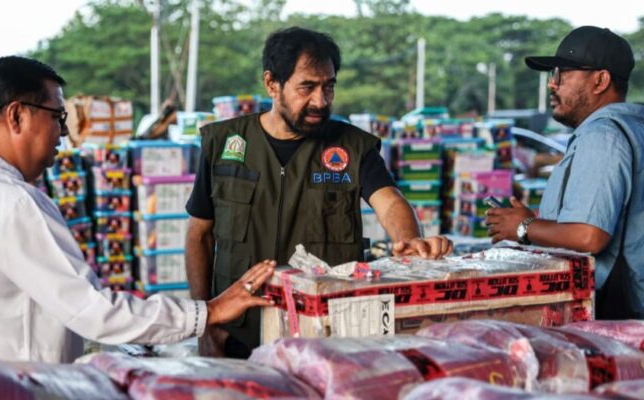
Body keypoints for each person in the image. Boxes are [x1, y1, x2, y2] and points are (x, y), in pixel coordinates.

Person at [0, 56, 277, 363]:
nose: (64, 132)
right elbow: (92, 310)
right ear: (16, 115)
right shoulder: (10, 200)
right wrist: (208, 312)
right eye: (57, 116)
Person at [185, 27, 453, 359]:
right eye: (307, 87)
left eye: (329, 87)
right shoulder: (224, 143)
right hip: (238, 335)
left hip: (327, 339)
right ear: (272, 84)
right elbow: (199, 235)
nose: (320, 101)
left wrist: (410, 240)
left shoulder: (353, 147)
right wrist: (205, 322)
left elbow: (390, 201)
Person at [485, 26, 644, 320]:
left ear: (600, 80)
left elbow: (589, 236)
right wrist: (540, 223)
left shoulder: (603, 136)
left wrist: (525, 227)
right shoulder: (630, 132)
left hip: (606, 315)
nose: (552, 85)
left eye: (561, 74)